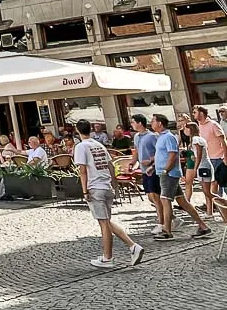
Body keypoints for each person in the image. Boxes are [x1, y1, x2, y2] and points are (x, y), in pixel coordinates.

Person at [73, 119, 143, 268]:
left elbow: (83, 170)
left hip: (95, 187)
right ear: (90, 129)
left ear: (78, 131)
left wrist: (84, 191)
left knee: (104, 223)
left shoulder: (81, 146)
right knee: (107, 221)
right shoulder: (99, 145)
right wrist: (114, 184)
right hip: (106, 186)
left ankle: (109, 257)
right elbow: (111, 165)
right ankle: (131, 247)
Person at [153, 114, 210, 240]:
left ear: (160, 123)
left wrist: (166, 170)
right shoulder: (162, 137)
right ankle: (203, 226)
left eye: (153, 121)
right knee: (182, 201)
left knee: (165, 200)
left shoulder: (168, 137)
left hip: (169, 174)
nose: (151, 123)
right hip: (166, 172)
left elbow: (173, 154)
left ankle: (167, 231)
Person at [130, 114, 163, 234]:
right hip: (144, 170)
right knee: (150, 197)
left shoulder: (152, 136)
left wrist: (151, 161)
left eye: (133, 122)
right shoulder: (137, 137)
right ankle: (167, 216)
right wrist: (132, 162)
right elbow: (137, 151)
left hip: (153, 170)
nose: (132, 124)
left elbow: (160, 151)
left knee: (156, 196)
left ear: (140, 123)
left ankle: (161, 222)